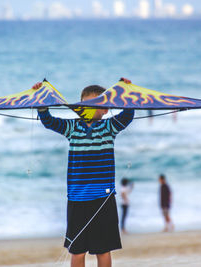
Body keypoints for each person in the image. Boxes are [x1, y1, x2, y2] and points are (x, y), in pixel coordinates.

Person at [33, 78, 134, 267]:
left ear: (105, 109)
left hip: (103, 199)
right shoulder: (72, 128)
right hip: (77, 199)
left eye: (98, 104)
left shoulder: (109, 127)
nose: (91, 108)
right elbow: (48, 121)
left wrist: (124, 90)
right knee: (77, 251)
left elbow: (127, 114)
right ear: (80, 106)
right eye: (87, 104)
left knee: (103, 250)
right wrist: (41, 100)